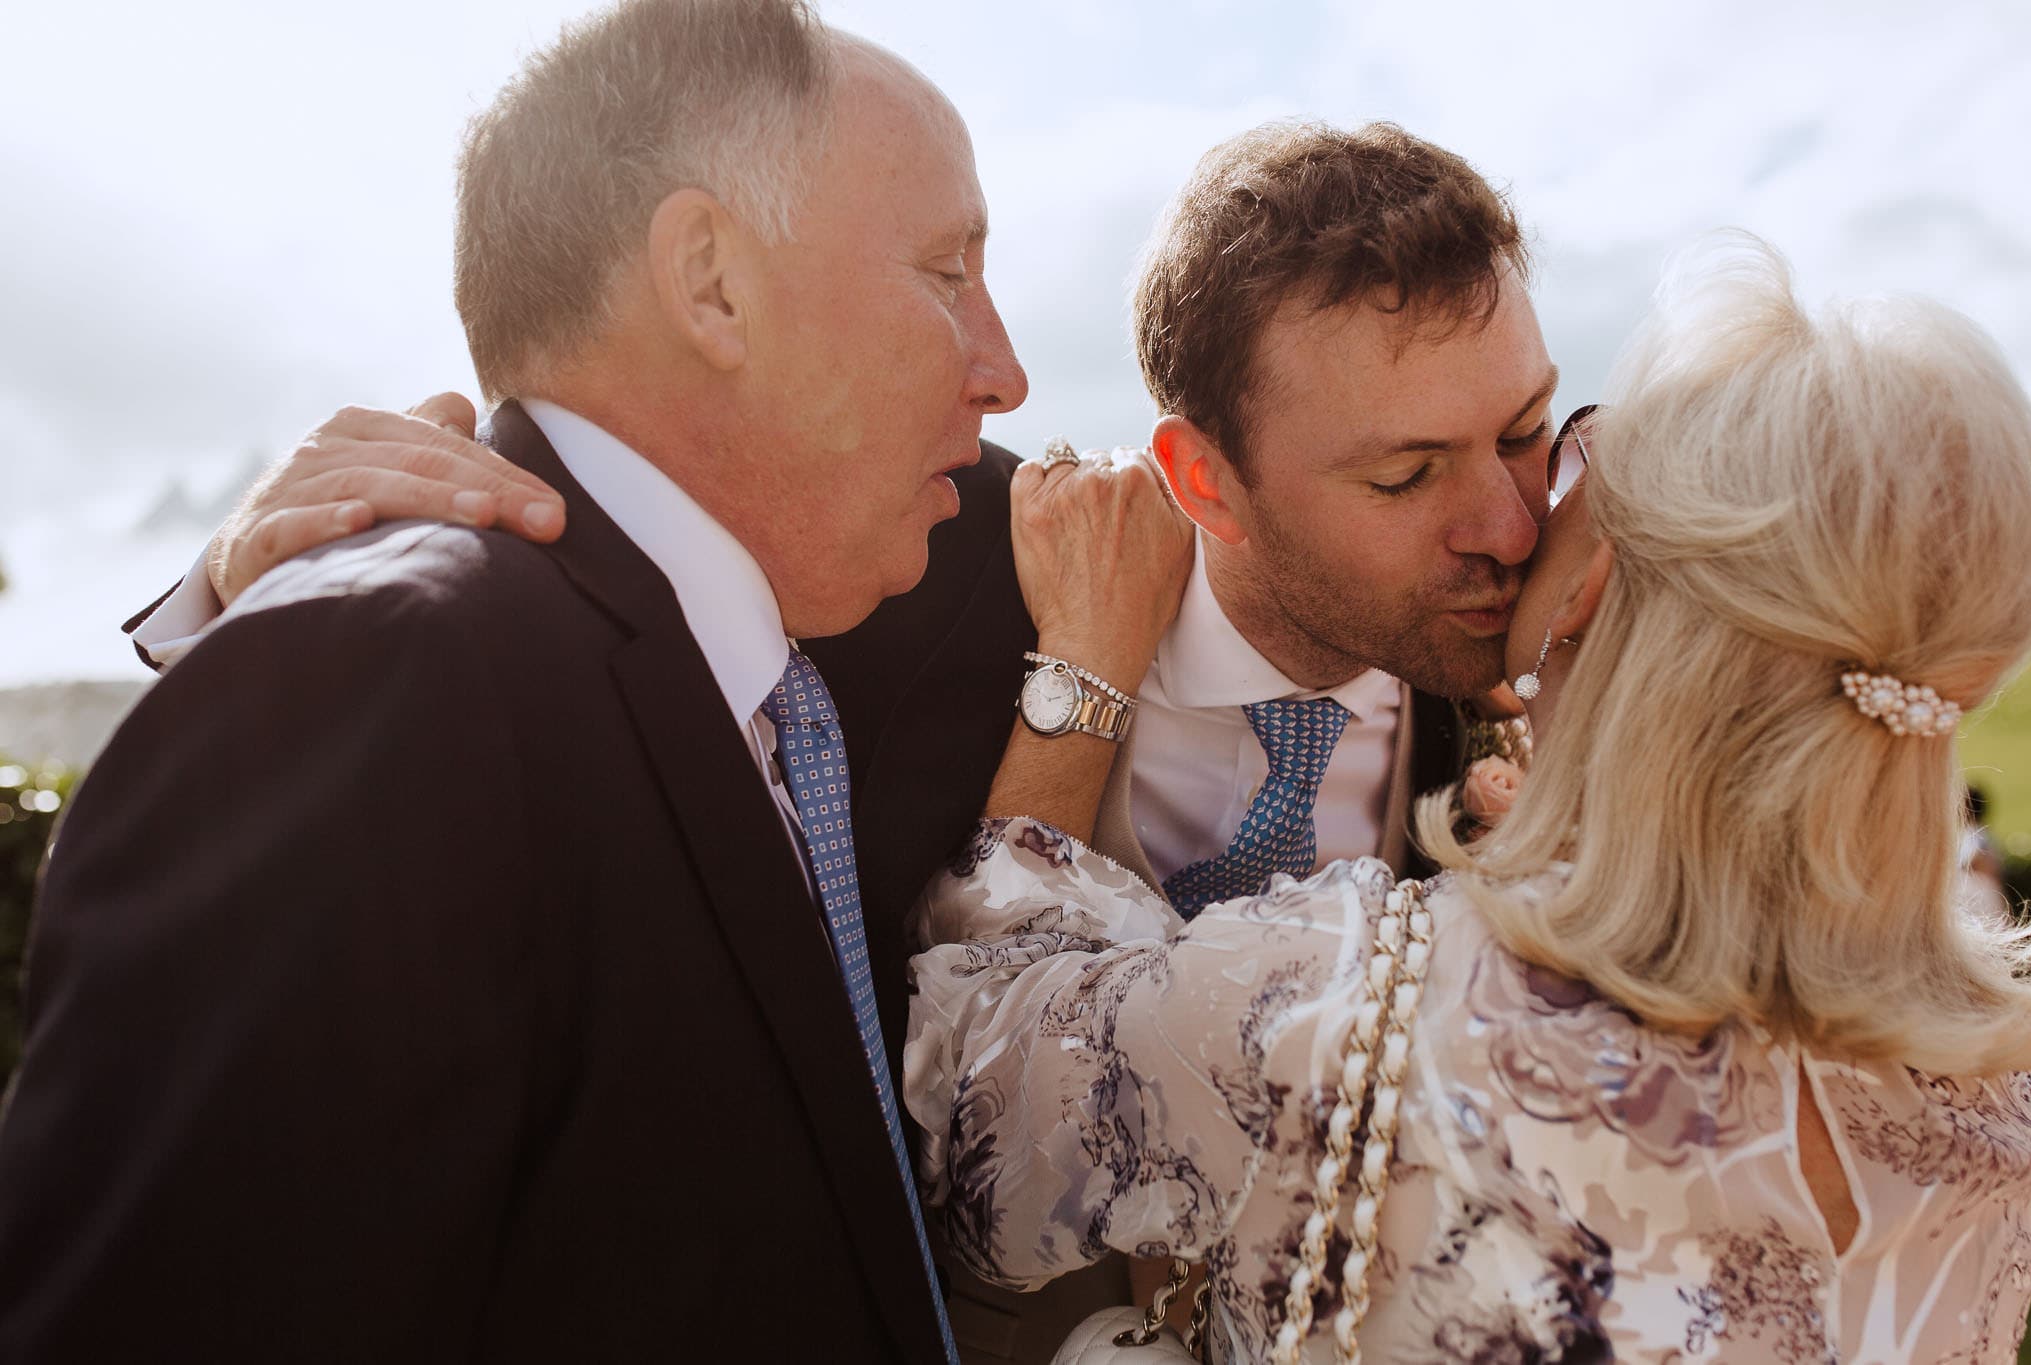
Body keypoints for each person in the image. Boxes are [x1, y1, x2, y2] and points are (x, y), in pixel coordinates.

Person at [122, 121, 1553, 1360]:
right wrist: (253, 586)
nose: (1501, 522)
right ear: (1201, 481)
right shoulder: (897, 549)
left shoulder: (1556, 617)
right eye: (1402, 474)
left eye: (1525, 431)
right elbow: (592, 553)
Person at [0, 3, 1027, 1359]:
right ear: (710, 281)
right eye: (947, 271)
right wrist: (268, 635)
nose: (1002, 371)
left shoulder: (781, 638)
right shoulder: (378, 686)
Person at [906, 237, 2031, 1362]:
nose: (1511, 524)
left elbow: (978, 1114)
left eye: (1555, 448)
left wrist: (1085, 673)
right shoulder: (2006, 1088)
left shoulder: (1363, 1010)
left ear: (1598, 586)